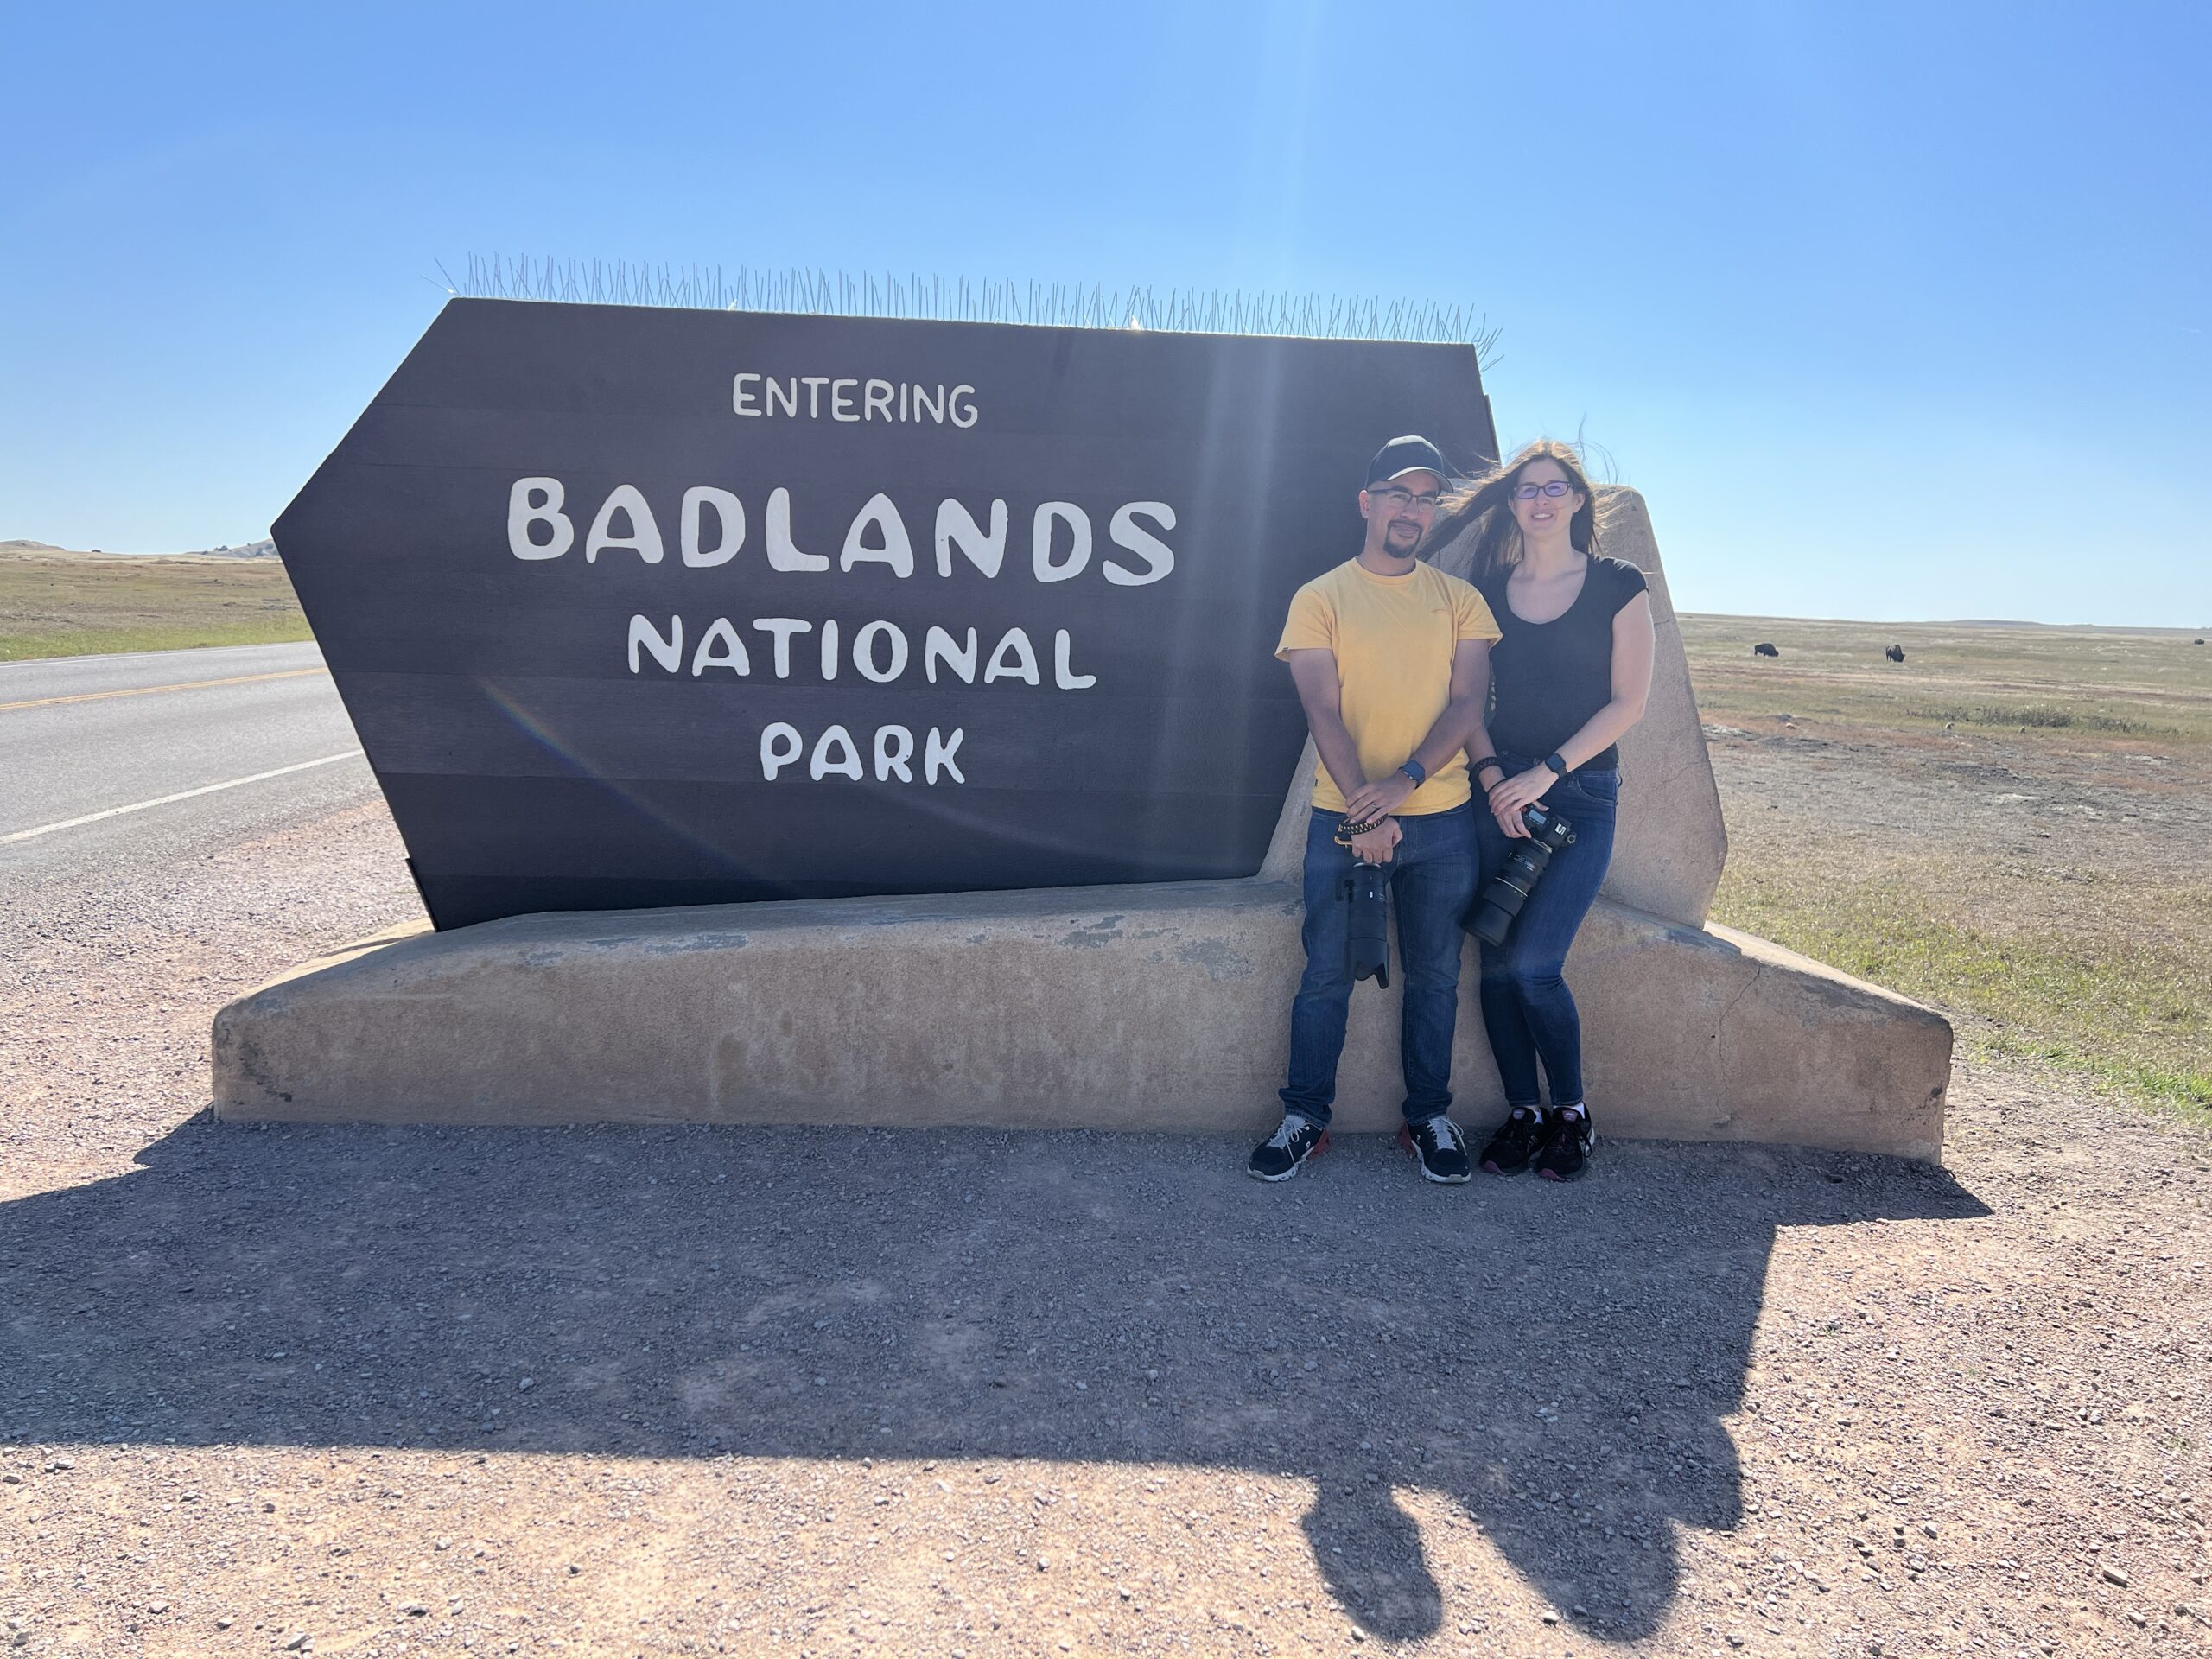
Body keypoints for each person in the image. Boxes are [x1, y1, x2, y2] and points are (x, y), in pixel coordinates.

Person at [1251, 435, 1501, 1184]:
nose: (1412, 510)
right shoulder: (1321, 597)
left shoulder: (1460, 600)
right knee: (1326, 975)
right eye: (1399, 493)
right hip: (1344, 821)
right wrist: (1367, 812)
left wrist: (1408, 783)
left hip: (1445, 824)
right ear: (1367, 503)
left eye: (1427, 498)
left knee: (1435, 977)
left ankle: (1427, 1117)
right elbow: (1322, 713)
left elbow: (1468, 704)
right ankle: (1305, 1118)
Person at [1427, 440, 1655, 1181]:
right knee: (1493, 966)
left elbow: (1629, 703)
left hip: (1582, 797)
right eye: (1528, 490)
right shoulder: (1489, 592)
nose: (1542, 500)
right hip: (1496, 796)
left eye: (1556, 487)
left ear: (1579, 501)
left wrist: (1547, 772)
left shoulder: (1618, 584)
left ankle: (1572, 1113)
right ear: (1514, 503)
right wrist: (1494, 772)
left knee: (1533, 966)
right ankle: (1523, 1115)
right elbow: (1468, 702)